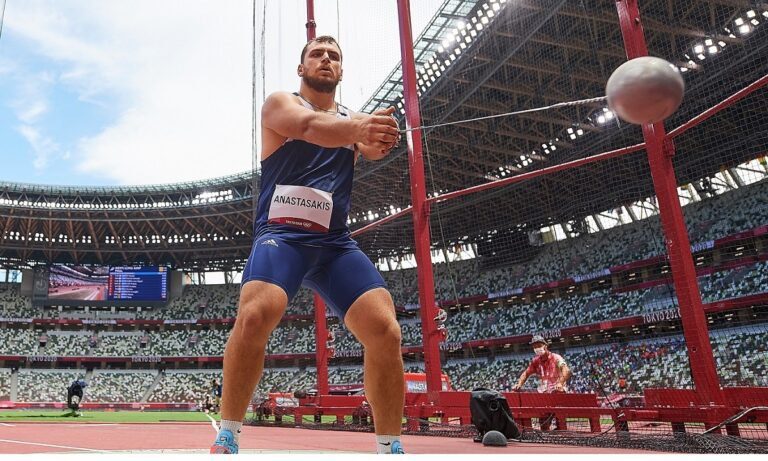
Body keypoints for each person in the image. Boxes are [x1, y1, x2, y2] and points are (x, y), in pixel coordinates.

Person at [210, 35, 404, 455]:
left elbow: (369, 146)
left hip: (333, 243)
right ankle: (228, 434)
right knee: (255, 314)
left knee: (385, 330)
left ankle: (390, 445)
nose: (326, 60)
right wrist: (361, 129)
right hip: (283, 235)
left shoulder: (352, 120)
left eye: (334, 56)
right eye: (317, 54)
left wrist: (379, 137)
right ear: (302, 69)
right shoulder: (280, 104)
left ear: (341, 70)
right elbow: (310, 127)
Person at [512, 335, 571, 430]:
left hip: (557, 392)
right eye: (534, 347)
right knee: (543, 426)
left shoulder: (556, 358)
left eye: (539, 345)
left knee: (556, 395)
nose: (537, 348)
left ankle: (559, 425)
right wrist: (519, 384)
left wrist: (560, 383)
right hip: (544, 394)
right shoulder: (535, 361)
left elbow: (566, 371)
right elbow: (525, 373)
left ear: (545, 345)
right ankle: (526, 426)